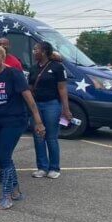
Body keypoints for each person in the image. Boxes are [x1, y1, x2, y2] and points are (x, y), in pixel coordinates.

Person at [0, 45, 45, 210]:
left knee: (4, 156)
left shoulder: (13, 74)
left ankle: (7, 196)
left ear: (3, 57)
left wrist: (38, 121)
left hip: (14, 120)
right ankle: (16, 191)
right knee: (5, 156)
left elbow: (29, 98)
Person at [29, 40, 71, 179]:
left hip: (52, 104)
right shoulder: (33, 68)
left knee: (51, 137)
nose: (34, 52)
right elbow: (29, 89)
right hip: (36, 106)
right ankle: (42, 167)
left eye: (36, 49)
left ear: (44, 51)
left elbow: (62, 88)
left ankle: (54, 167)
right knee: (38, 137)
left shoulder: (57, 67)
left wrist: (66, 109)